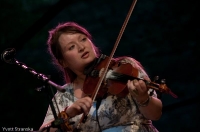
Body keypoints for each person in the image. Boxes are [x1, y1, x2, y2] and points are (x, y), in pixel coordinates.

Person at [39, 21, 162, 132]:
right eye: (71, 47)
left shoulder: (125, 66)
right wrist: (68, 114)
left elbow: (155, 114)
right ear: (63, 62)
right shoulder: (63, 96)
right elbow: (44, 131)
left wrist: (143, 98)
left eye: (83, 39)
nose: (82, 47)